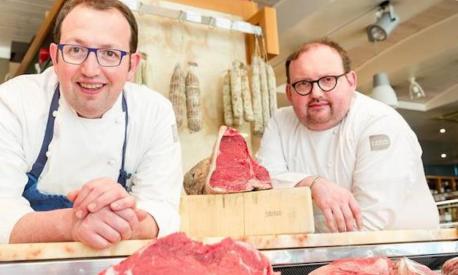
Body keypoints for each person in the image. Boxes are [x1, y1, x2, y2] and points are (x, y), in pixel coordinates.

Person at [0, 0, 182, 249]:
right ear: (55, 57)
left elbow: (162, 210)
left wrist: (119, 220)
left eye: (110, 54)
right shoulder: (13, 103)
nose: (91, 70)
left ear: (132, 66)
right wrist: (71, 225)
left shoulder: (154, 114)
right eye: (76, 50)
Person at [257, 39, 439, 233]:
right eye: (303, 84)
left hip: (406, 251)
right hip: (319, 250)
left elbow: (368, 223)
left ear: (351, 81)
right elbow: (263, 182)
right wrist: (312, 183)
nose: (316, 93)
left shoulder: (379, 123)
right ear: (289, 92)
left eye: (328, 80)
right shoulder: (280, 121)